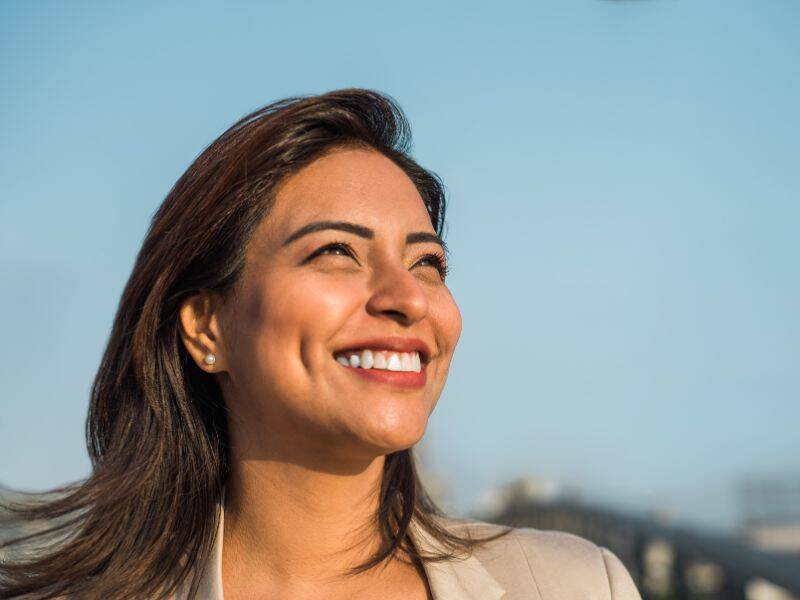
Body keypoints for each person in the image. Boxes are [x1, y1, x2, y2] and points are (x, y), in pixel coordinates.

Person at [0, 89, 641, 599]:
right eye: (336, 251)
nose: (408, 297)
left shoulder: (579, 585)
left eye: (428, 263)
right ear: (205, 327)